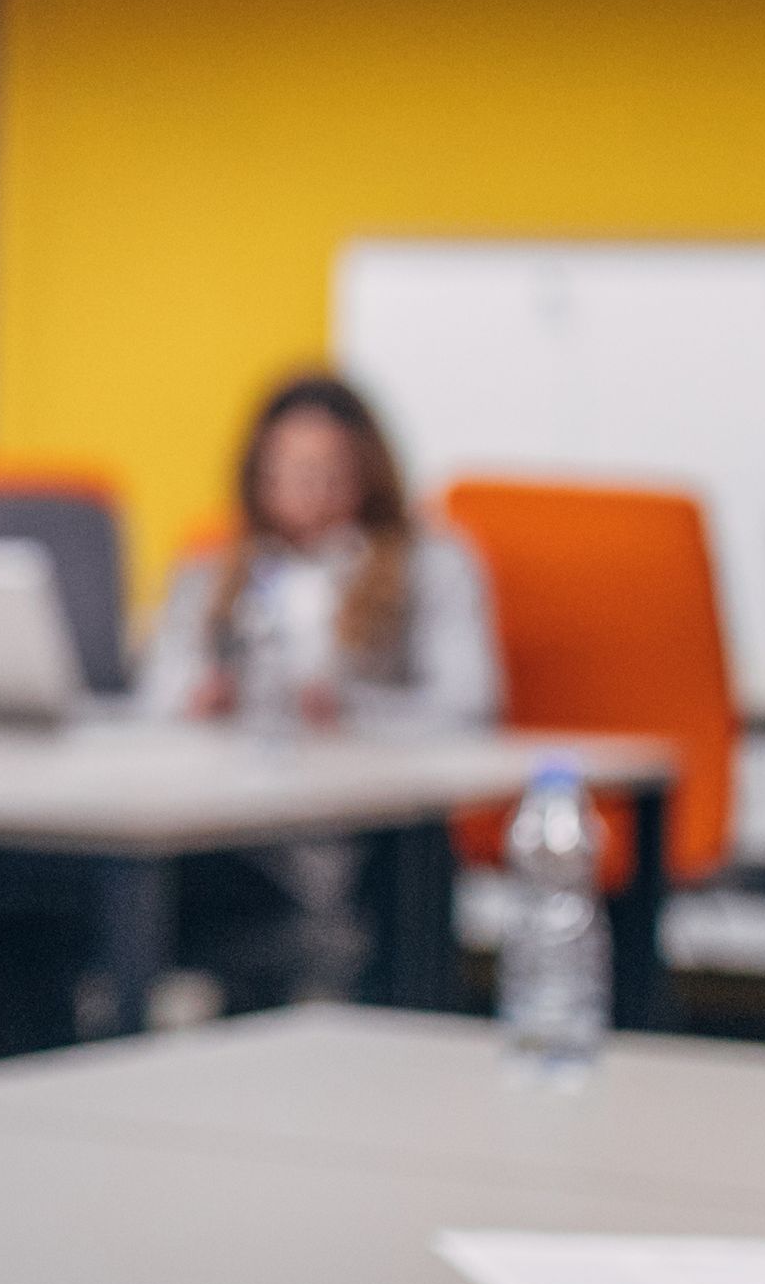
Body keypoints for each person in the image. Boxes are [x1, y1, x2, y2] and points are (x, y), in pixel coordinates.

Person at [135, 371, 498, 1017]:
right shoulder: (217, 568)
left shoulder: (429, 563)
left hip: (366, 826)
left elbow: (469, 708)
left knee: (413, 855)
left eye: (328, 472)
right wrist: (202, 700)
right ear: (259, 475)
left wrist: (352, 710)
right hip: (237, 830)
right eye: (290, 471)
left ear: (367, 475)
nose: (309, 491)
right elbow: (153, 700)